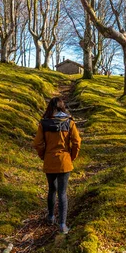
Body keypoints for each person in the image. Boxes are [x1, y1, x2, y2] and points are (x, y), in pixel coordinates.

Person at [33, 97, 81, 234]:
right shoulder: (69, 122)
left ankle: (50, 216)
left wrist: (43, 155)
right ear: (62, 107)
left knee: (52, 190)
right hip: (64, 161)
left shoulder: (44, 123)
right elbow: (77, 142)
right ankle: (62, 225)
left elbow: (37, 143)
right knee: (62, 192)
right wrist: (72, 157)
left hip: (49, 160)